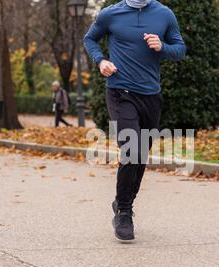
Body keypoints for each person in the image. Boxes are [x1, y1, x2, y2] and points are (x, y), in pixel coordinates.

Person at [84, 0, 186, 242]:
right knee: (131, 148)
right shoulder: (110, 14)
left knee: (141, 155)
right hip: (120, 92)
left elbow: (180, 50)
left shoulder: (164, 14)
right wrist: (101, 61)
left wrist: (162, 46)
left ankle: (122, 200)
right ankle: (124, 213)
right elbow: (89, 39)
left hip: (151, 96)